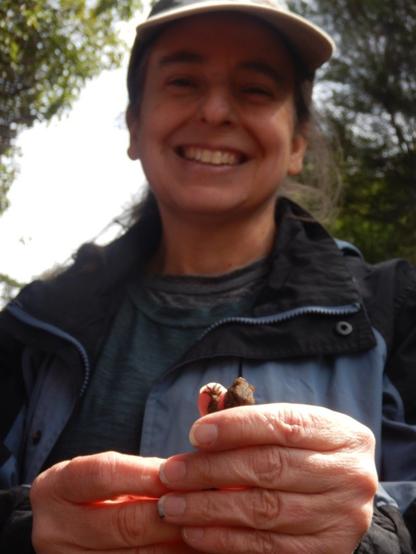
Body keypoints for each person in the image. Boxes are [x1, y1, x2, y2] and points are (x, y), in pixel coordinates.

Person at [1, 0, 415, 552]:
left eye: (256, 89)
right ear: (133, 123)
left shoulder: (398, 309)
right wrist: (22, 531)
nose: (216, 111)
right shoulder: (34, 324)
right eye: (183, 80)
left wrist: (377, 535)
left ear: (297, 142)